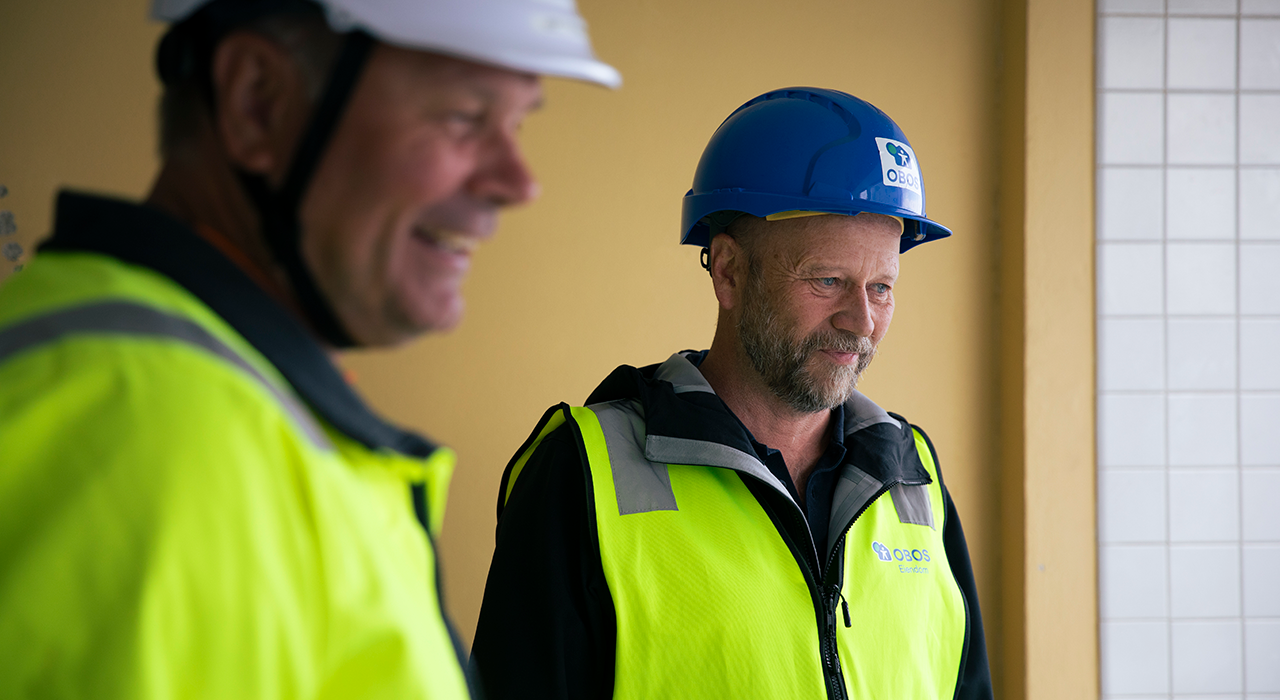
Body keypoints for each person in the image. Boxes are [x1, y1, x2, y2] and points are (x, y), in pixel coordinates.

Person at [0, 1, 617, 697]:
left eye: (519, 122)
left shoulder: (213, 400)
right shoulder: (158, 436)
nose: (517, 182)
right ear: (258, 102)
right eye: (464, 116)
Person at [471, 88, 992, 700]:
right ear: (728, 272)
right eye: (828, 280)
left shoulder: (913, 475)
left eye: (881, 287)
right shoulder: (582, 472)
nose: (861, 320)